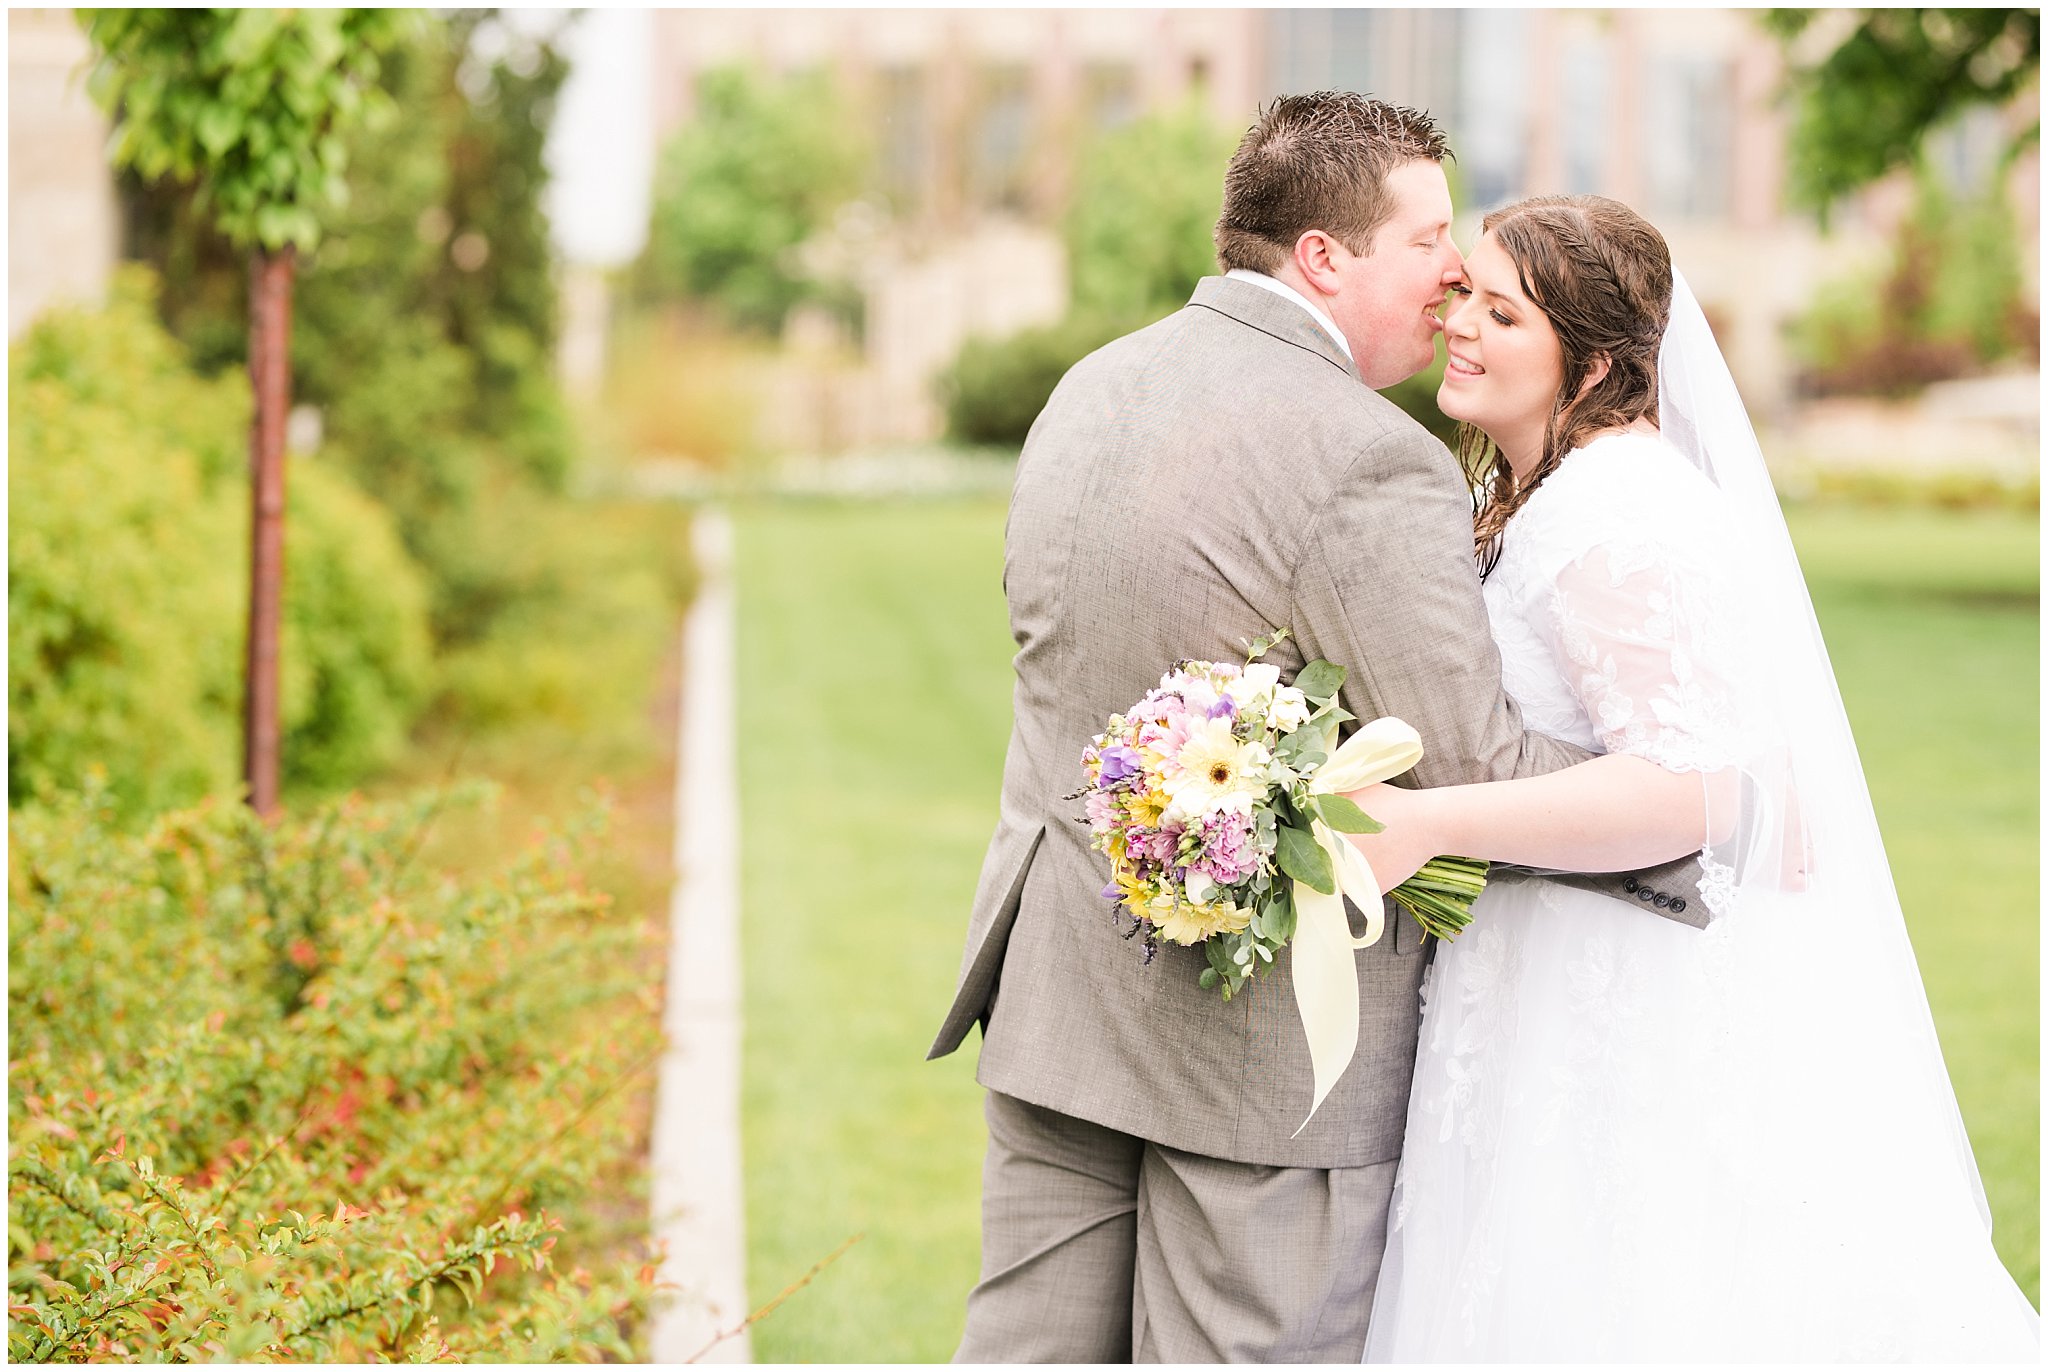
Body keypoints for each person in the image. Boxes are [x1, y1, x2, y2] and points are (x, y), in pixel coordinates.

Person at [927, 95, 1701, 1363]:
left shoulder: (1091, 385)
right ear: (1324, 258)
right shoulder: (1364, 457)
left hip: (1055, 995)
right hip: (1259, 1063)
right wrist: (1685, 800)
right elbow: (1470, 767)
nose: (1455, 272)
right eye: (1428, 240)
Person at [1344, 194, 2041, 1361]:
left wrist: (1425, 824)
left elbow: (1696, 792)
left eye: (1502, 313)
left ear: (1594, 362)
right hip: (1532, 976)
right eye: (1463, 292)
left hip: (1615, 993)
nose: (1460, 324)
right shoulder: (1546, 495)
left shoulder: (1614, 512)